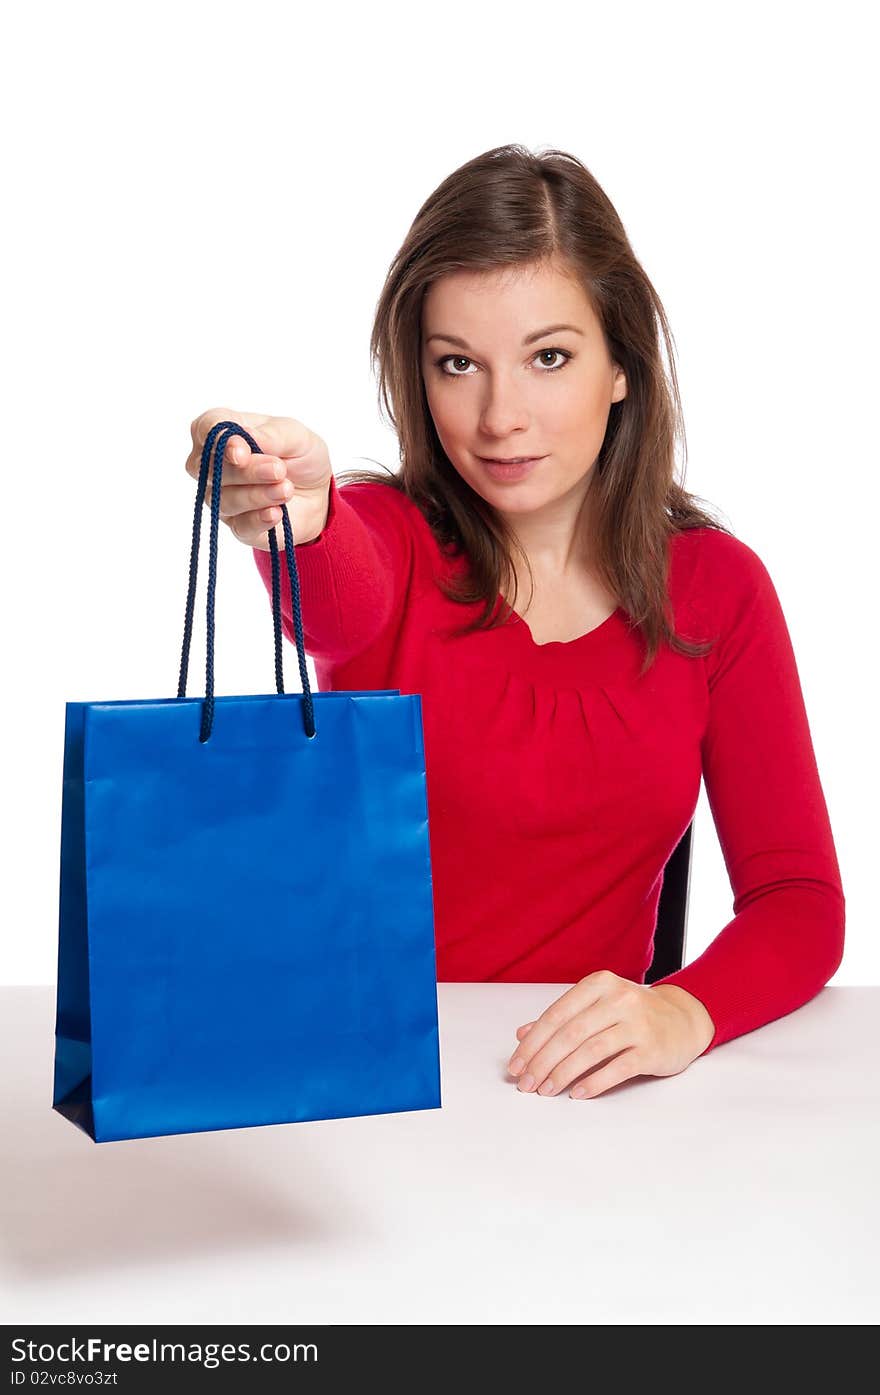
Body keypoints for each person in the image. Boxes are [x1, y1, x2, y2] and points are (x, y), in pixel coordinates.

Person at [185, 143, 845, 1102]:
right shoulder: (392, 543)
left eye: (548, 357)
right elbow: (330, 592)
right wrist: (294, 500)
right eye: (459, 364)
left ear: (622, 365)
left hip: (576, 1103)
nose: (501, 417)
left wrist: (681, 1008)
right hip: (356, 1082)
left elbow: (799, 902)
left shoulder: (717, 589)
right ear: (419, 374)